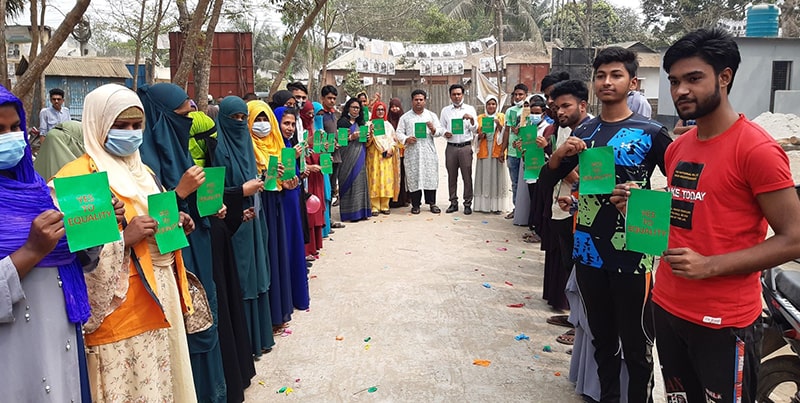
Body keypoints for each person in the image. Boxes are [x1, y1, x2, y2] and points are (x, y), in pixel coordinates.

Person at [617, 28, 800, 403]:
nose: (681, 90)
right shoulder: (679, 147)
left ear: (725, 77)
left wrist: (710, 266)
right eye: (674, 81)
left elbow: (794, 238)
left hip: (724, 321)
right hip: (667, 306)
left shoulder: (757, 150)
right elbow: (689, 212)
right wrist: (640, 206)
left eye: (693, 78)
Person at [56, 83, 197, 402]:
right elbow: (75, 260)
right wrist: (125, 239)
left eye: (137, 125)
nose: (131, 133)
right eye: (120, 126)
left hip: (161, 298)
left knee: (161, 385)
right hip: (120, 313)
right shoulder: (79, 178)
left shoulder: (143, 171)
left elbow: (153, 223)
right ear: (98, 124)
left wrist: (175, 223)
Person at [547, 47, 672, 402]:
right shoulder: (584, 130)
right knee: (601, 339)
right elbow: (558, 179)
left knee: (636, 345)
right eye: (600, 75)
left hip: (634, 253)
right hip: (588, 251)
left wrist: (641, 199)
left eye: (616, 75)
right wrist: (562, 167)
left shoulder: (652, 132)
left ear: (633, 82)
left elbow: (681, 190)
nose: (606, 82)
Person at [0, 84, 93, 402]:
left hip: (60, 333)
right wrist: (31, 251)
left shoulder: (38, 189)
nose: (10, 137)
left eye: (14, 128)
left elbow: (74, 255)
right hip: (14, 348)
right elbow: (41, 249)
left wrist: (96, 223)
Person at [137, 83, 229, 403]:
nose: (190, 120)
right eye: (184, 115)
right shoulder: (142, 163)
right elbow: (150, 222)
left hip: (196, 248)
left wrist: (209, 205)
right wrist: (179, 194)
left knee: (206, 319)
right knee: (186, 333)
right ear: (161, 118)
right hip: (170, 261)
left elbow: (190, 206)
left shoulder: (178, 147)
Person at [188, 110, 256, 402]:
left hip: (219, 235)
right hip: (193, 250)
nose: (209, 143)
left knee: (225, 302)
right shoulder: (167, 162)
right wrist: (237, 192)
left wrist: (222, 210)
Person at [212, 96, 276, 359]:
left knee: (258, 274)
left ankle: (261, 337)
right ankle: (246, 343)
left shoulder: (247, 145)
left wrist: (261, 181)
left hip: (254, 219)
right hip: (234, 224)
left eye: (242, 118)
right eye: (235, 119)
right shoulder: (216, 149)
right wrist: (241, 191)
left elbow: (254, 178)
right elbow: (212, 193)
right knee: (242, 278)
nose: (239, 124)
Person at [247, 100, 297, 332]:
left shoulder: (277, 144)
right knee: (264, 258)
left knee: (276, 257)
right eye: (257, 119)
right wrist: (265, 174)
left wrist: (287, 182)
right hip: (258, 206)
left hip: (275, 202)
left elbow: (281, 179)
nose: (262, 125)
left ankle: (279, 312)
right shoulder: (246, 147)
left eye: (265, 119)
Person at [273, 107, 310, 311]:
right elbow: (271, 176)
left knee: (295, 245)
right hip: (281, 204)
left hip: (293, 200)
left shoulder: (290, 145)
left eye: (291, 124)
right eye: (285, 123)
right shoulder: (273, 147)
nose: (289, 128)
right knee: (285, 246)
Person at [395, 89, 445, 214]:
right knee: (414, 177)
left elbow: (440, 131)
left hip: (428, 152)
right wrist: (407, 139)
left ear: (425, 101)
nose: (418, 102)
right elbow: (398, 133)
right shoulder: (405, 117)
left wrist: (433, 129)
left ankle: (432, 203)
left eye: (421, 100)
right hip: (413, 152)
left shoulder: (431, 116)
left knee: (430, 177)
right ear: (412, 101)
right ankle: (415, 204)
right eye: (416, 100)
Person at [439, 84, 477, 215]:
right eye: (454, 94)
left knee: (467, 176)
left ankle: (467, 203)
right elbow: (440, 127)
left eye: (459, 94)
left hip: (465, 147)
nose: (456, 97)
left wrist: (472, 120)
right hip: (451, 147)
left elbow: (476, 130)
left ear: (463, 95)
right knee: (452, 176)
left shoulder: (470, 109)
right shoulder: (445, 111)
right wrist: (445, 133)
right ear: (450, 96)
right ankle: (453, 202)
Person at [335, 98, 372, 222]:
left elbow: (365, 141)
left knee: (360, 181)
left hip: (360, 153)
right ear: (348, 108)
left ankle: (361, 211)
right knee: (348, 181)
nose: (356, 110)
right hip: (346, 155)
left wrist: (367, 136)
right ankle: (350, 214)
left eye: (358, 108)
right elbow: (340, 141)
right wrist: (352, 136)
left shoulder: (361, 123)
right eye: (353, 107)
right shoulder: (342, 122)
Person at [473, 95, 508, 213]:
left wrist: (499, 124)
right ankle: (484, 206)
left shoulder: (501, 117)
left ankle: (497, 206)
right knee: (484, 176)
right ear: (485, 105)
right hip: (484, 150)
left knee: (497, 176)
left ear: (497, 105)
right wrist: (480, 135)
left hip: (497, 151)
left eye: (493, 104)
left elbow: (506, 134)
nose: (491, 106)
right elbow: (476, 136)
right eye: (489, 104)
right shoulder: (480, 118)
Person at [502, 83, 528, 219]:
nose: (518, 97)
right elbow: (506, 131)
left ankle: (527, 210)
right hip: (512, 152)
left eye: (521, 95)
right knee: (515, 182)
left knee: (527, 182)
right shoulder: (510, 111)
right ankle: (516, 209)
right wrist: (503, 150)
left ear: (526, 95)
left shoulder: (530, 111)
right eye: (516, 94)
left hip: (526, 152)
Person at [366, 101, 398, 215]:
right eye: (378, 109)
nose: (380, 112)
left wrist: (391, 149)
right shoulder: (368, 124)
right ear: (374, 111)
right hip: (373, 156)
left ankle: (385, 205)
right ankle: (374, 206)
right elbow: (365, 143)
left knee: (386, 180)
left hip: (387, 157)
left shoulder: (388, 125)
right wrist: (370, 134)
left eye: (382, 110)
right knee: (374, 180)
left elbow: (394, 140)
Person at [319, 85, 345, 216]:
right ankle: (325, 220)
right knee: (325, 188)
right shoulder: (320, 115)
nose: (332, 101)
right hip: (324, 157)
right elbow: (317, 136)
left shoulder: (333, 114)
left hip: (336, 156)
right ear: (322, 98)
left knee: (332, 188)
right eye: (329, 98)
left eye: (334, 98)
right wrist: (329, 144)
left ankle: (329, 219)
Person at [386, 98, 409, 208]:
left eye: (397, 106)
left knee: (403, 175)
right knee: (391, 175)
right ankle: (390, 199)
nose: (395, 109)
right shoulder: (386, 121)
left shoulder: (404, 120)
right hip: (390, 153)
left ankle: (403, 199)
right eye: (392, 106)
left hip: (403, 152)